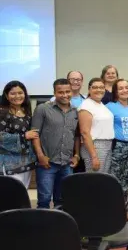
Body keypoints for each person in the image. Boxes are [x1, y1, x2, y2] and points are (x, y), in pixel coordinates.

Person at [32, 79, 80, 209]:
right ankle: (43, 228)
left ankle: (59, 227)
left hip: (67, 163)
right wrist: (40, 156)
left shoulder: (76, 111)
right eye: (61, 92)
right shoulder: (42, 109)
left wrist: (77, 155)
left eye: (67, 91)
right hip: (47, 163)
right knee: (44, 199)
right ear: (54, 92)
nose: (65, 95)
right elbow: (34, 134)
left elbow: (76, 135)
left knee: (62, 199)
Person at [106, 79, 128, 221]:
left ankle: (123, 212)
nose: (124, 90)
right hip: (119, 147)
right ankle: (113, 212)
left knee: (126, 180)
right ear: (115, 91)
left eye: (127, 87)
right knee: (115, 181)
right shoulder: (110, 106)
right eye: (121, 88)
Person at [0, 81, 38, 188]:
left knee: (22, 193)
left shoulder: (26, 111)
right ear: (7, 96)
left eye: (20, 93)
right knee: (11, 195)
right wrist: (24, 136)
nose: (17, 96)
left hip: (26, 161)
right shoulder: (2, 112)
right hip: (9, 164)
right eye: (13, 93)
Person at [78, 78, 114, 173]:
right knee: (94, 180)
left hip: (107, 145)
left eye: (101, 87)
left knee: (103, 179)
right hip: (95, 146)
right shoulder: (86, 106)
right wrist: (94, 156)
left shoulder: (101, 104)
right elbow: (85, 133)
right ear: (89, 90)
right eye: (95, 87)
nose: (99, 90)